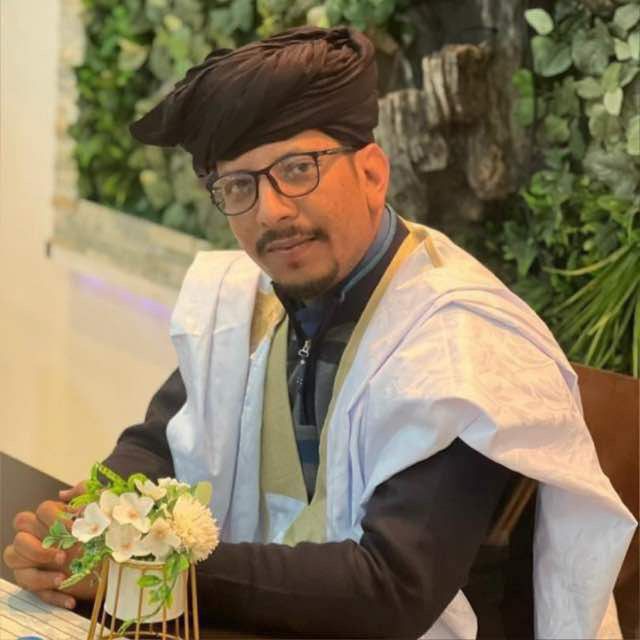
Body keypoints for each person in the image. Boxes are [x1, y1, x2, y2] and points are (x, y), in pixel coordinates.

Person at [3, 26, 635, 639]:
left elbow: (391, 588)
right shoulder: (241, 298)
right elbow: (160, 442)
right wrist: (84, 530)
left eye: (298, 168)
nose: (271, 211)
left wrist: (151, 566)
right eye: (239, 185)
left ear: (373, 174)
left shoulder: (459, 342)